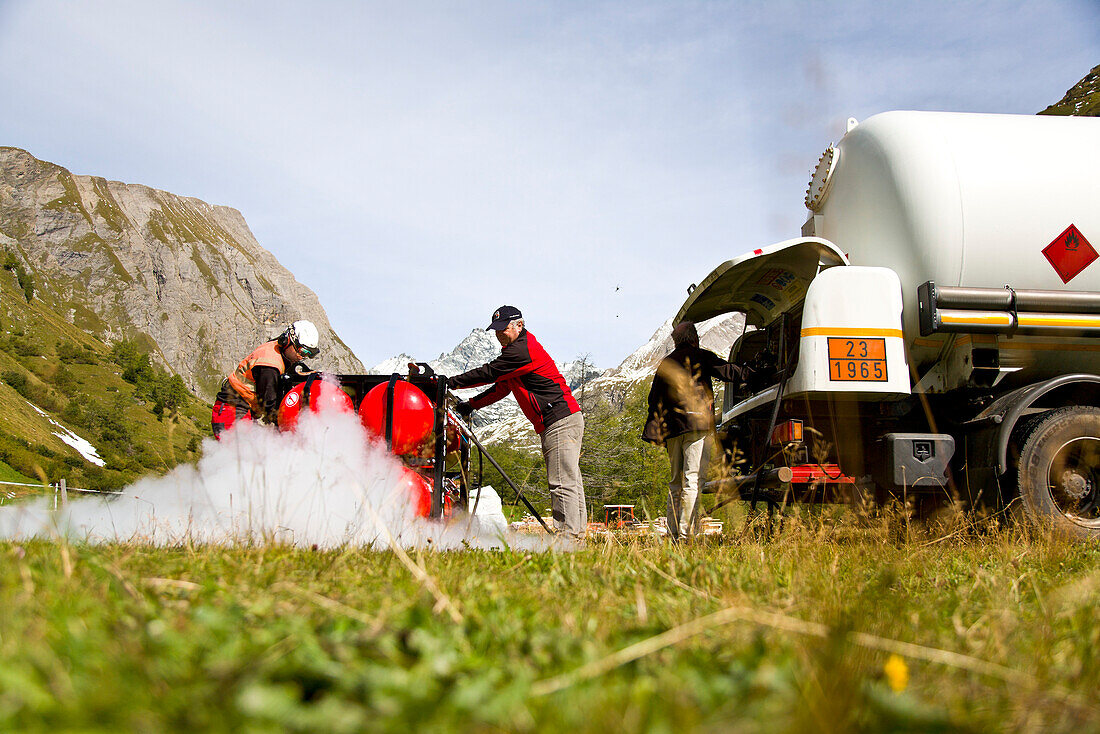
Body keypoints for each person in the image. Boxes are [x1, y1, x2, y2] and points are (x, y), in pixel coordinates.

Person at [450, 306, 587, 538]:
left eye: (503, 329)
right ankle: (575, 538)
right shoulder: (515, 353)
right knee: (569, 480)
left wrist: (450, 382)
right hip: (561, 419)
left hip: (559, 419)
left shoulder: (522, 350)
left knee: (562, 482)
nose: (499, 334)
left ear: (519, 326)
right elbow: (502, 387)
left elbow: (490, 372)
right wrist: (471, 405)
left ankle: (569, 541)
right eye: (495, 330)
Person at [642, 321, 746, 541]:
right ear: (694, 338)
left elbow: (653, 399)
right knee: (692, 480)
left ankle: (671, 532)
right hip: (697, 426)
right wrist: (752, 373)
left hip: (671, 430)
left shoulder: (666, 363)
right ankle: (686, 534)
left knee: (675, 481)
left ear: (675, 341)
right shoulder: (700, 356)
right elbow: (728, 372)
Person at [210, 320, 320, 437]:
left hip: (242, 410)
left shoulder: (277, 348)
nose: (302, 357)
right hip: (231, 411)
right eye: (302, 351)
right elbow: (269, 406)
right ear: (288, 340)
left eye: (308, 354)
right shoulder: (269, 365)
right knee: (244, 453)